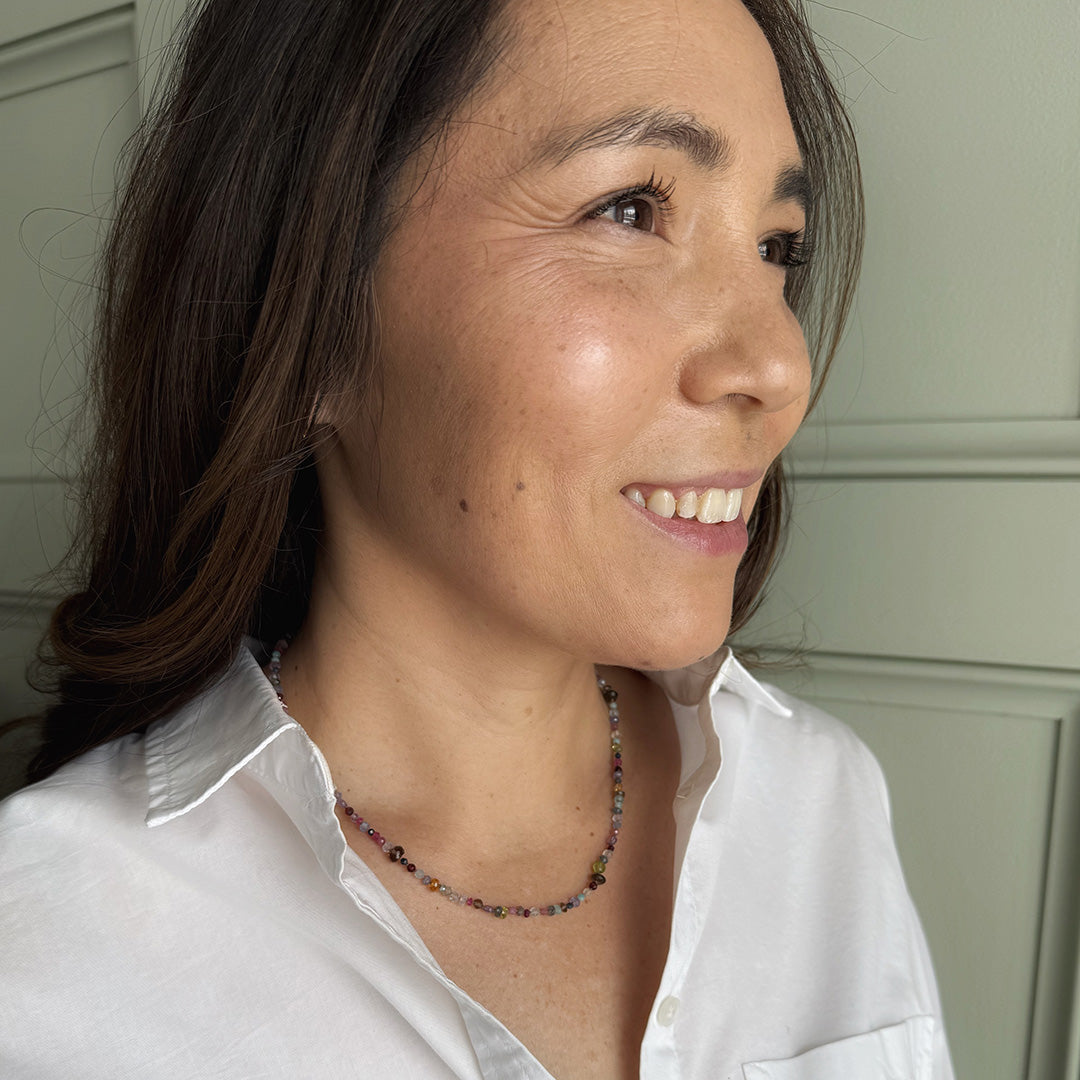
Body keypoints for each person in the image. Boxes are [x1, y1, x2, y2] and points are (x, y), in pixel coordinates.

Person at [0, 0, 955, 1076]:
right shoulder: (42, 962)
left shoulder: (820, 799)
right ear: (306, 317)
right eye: (632, 209)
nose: (779, 367)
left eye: (779, 245)